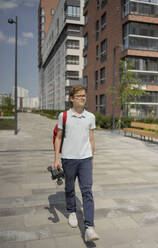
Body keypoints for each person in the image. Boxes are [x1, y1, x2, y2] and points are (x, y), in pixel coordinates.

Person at [54, 85, 99, 242]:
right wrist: (56, 158)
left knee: (87, 191)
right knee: (69, 187)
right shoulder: (64, 116)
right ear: (71, 99)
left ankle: (89, 228)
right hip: (68, 158)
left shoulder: (90, 117)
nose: (82, 98)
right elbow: (58, 137)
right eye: (79, 96)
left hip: (85, 159)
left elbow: (91, 139)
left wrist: (92, 157)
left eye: (84, 96)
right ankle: (71, 211)